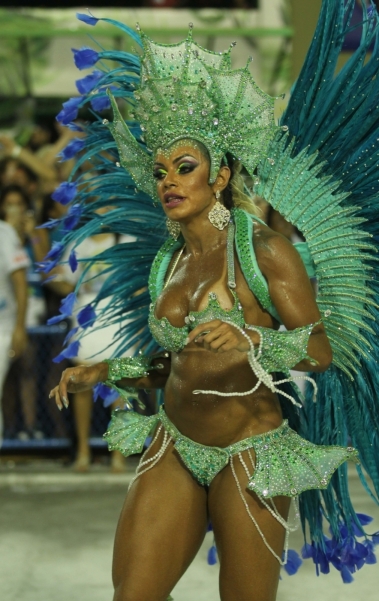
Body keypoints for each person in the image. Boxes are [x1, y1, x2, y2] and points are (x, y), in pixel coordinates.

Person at [48, 3, 379, 598]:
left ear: (220, 177)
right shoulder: (165, 263)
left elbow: (320, 352)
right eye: (159, 171)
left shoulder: (266, 252)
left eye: (184, 167)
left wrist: (252, 337)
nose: (168, 180)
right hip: (174, 441)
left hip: (249, 452)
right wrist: (107, 370)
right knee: (134, 594)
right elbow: (176, 363)